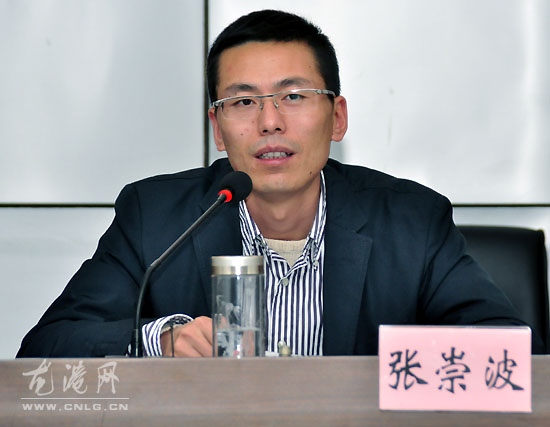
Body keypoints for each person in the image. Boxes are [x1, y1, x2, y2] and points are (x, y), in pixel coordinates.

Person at [17, 9, 543, 358]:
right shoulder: (154, 217)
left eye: (293, 97)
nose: (269, 122)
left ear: (337, 118)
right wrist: (161, 340)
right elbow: (47, 347)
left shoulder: (411, 222)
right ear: (217, 128)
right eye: (243, 101)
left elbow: (513, 354)